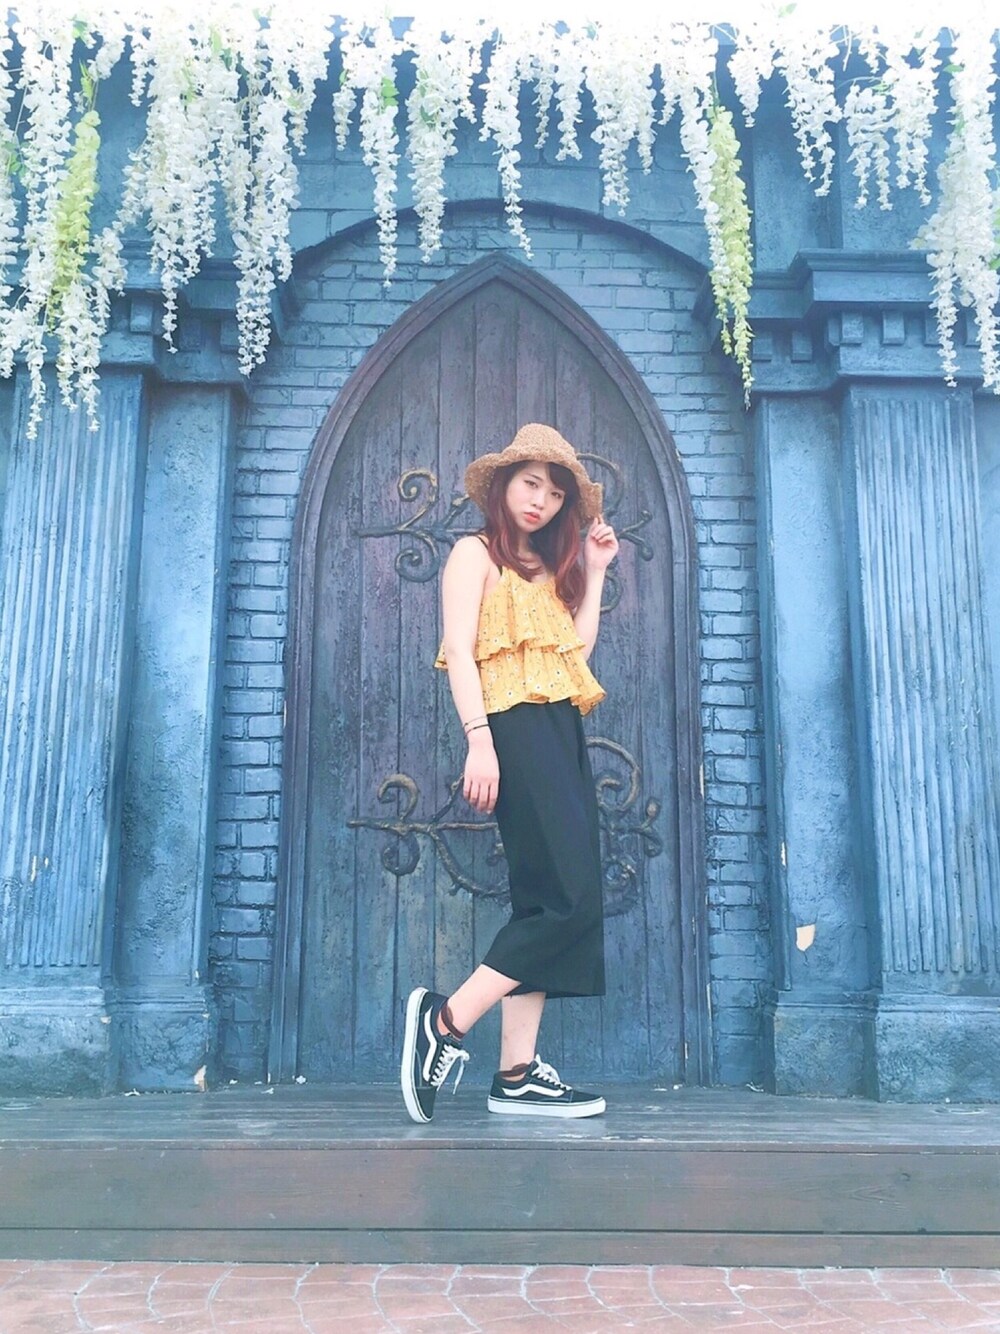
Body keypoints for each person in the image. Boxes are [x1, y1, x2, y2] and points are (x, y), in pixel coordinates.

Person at [400, 423, 619, 1123]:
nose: (540, 502)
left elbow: (573, 651)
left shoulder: (544, 570)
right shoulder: (473, 554)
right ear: (503, 485)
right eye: (530, 485)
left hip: (560, 729)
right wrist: (479, 741)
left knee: (544, 900)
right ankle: (445, 1022)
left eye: (554, 495)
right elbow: (460, 653)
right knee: (568, 901)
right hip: (512, 730)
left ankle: (516, 1074)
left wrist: (596, 571)